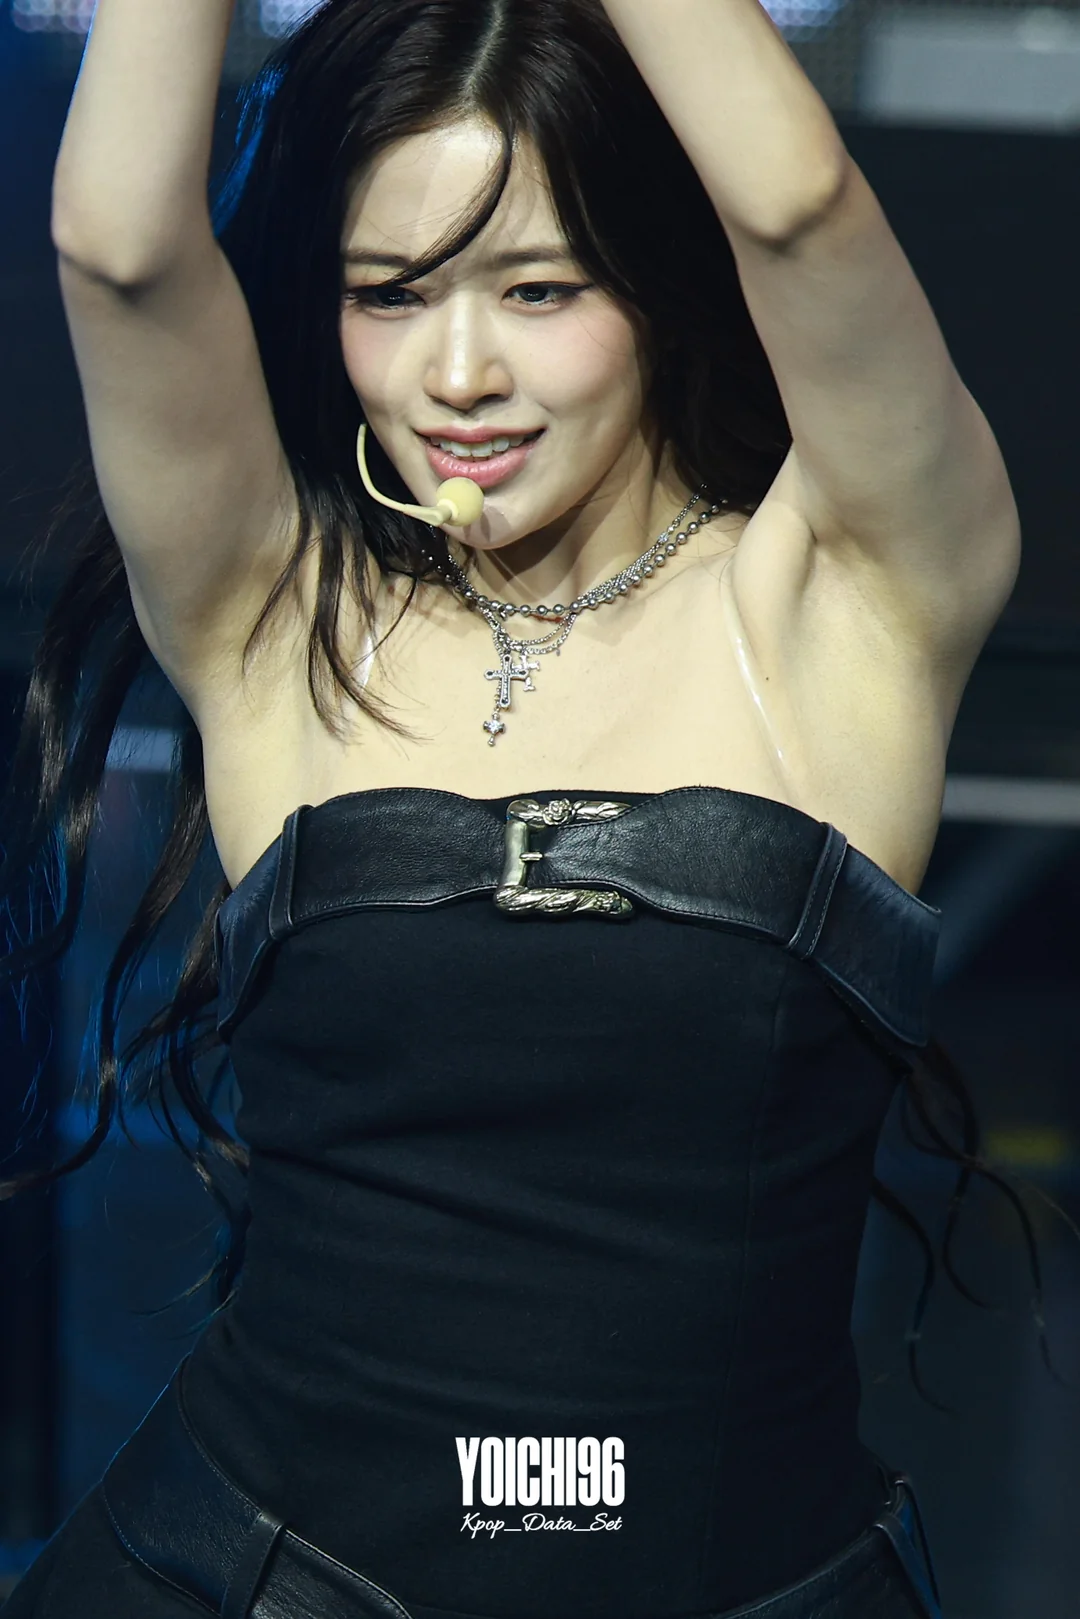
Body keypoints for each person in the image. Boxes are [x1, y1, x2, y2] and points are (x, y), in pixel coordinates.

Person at [0, 0, 1028, 1615]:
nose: (458, 374)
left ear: (656, 280)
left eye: (539, 290)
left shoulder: (851, 598)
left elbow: (798, 203)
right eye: (390, 294)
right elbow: (119, 248)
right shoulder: (276, 613)